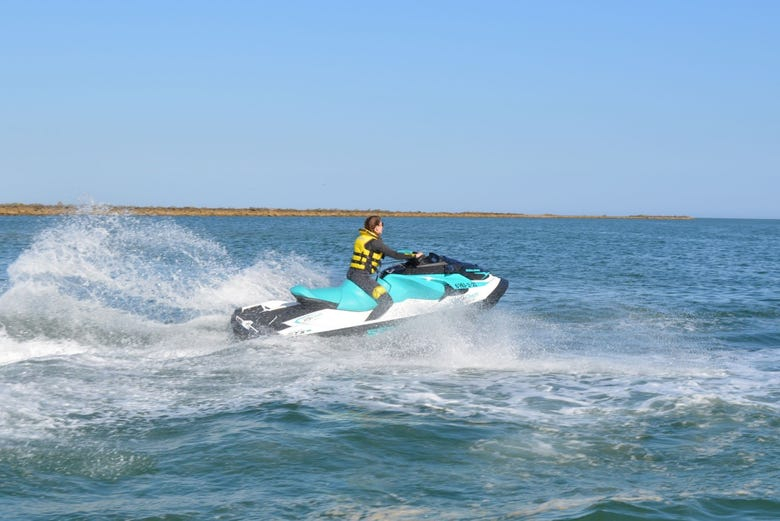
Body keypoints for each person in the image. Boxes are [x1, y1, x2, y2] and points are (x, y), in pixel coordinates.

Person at [347, 215, 424, 320]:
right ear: (376, 228)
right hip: (361, 276)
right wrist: (414, 256)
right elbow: (394, 254)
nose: (383, 227)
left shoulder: (362, 238)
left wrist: (408, 253)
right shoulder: (375, 242)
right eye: (381, 224)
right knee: (386, 301)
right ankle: (369, 323)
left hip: (353, 273)